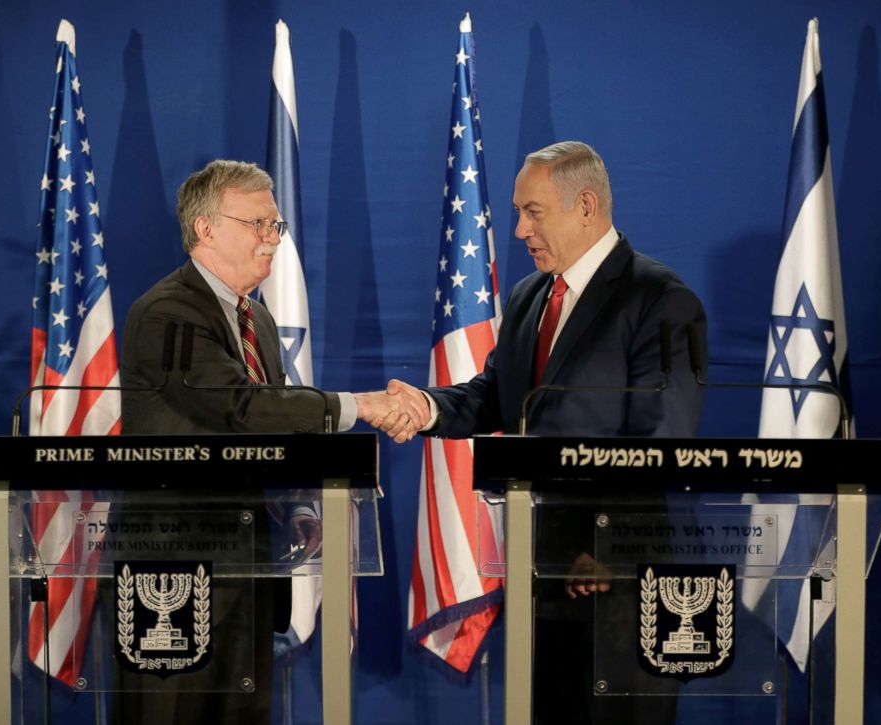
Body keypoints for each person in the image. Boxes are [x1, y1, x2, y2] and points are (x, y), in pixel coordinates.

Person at [384, 141, 708, 724]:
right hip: (544, 570)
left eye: (533, 212)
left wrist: (609, 550)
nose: (518, 230)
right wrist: (426, 407)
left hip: (623, 580)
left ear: (585, 205)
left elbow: (664, 442)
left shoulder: (659, 300)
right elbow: (495, 397)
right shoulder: (531, 295)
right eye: (517, 212)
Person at [117, 159, 409, 724]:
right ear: (206, 229)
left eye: (276, 226)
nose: (272, 238)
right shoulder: (168, 312)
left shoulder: (260, 322)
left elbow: (272, 436)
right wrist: (361, 406)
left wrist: (297, 503)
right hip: (174, 568)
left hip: (248, 561)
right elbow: (240, 408)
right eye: (258, 224)